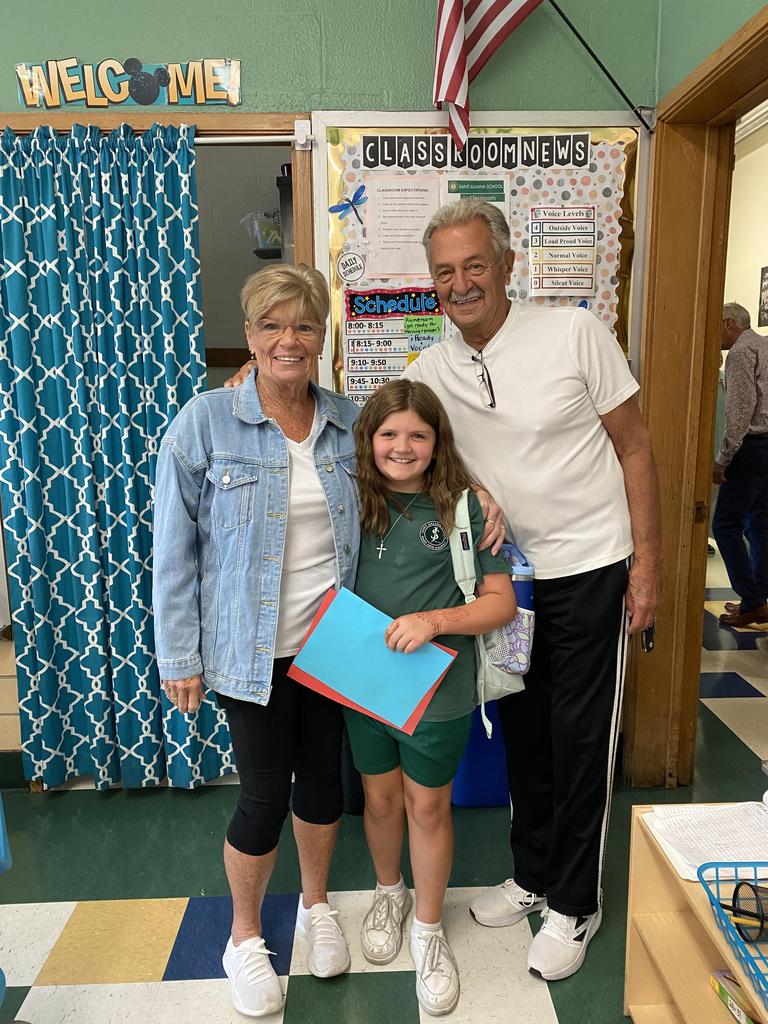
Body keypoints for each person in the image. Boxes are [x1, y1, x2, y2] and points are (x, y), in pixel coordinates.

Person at [402, 199, 662, 981]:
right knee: (524, 731)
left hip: (591, 566)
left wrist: (648, 566)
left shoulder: (574, 333)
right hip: (507, 581)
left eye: (474, 265)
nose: (460, 283)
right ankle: (534, 874)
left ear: (508, 265)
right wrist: (258, 382)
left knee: (580, 739)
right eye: (444, 272)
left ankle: (577, 902)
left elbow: (636, 447)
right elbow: (376, 428)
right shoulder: (432, 368)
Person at [153, 264, 360, 1018]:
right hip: (250, 651)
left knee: (325, 784)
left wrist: (481, 498)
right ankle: (243, 936)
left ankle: (314, 906)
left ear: (322, 335)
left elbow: (413, 477)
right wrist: (179, 655)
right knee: (264, 793)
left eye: (303, 324)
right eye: (272, 325)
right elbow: (173, 552)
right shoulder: (205, 423)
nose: (288, 340)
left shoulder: (348, 422)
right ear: (249, 335)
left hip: (333, 645)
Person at [346, 379, 516, 1016]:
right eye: (388, 433)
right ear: (368, 440)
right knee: (379, 799)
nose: (402, 446)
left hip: (438, 688)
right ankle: (388, 892)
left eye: (418, 434)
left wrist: (433, 621)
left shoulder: (463, 510)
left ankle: (427, 928)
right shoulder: (349, 499)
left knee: (427, 806)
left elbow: (500, 604)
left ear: (439, 442)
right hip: (362, 682)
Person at [712, 302, 768, 627]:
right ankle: (757, 599)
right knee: (760, 524)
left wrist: (723, 458)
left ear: (728, 323)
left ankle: (752, 601)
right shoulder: (764, 345)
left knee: (725, 526)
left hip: (751, 448)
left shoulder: (740, 352)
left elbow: (740, 413)